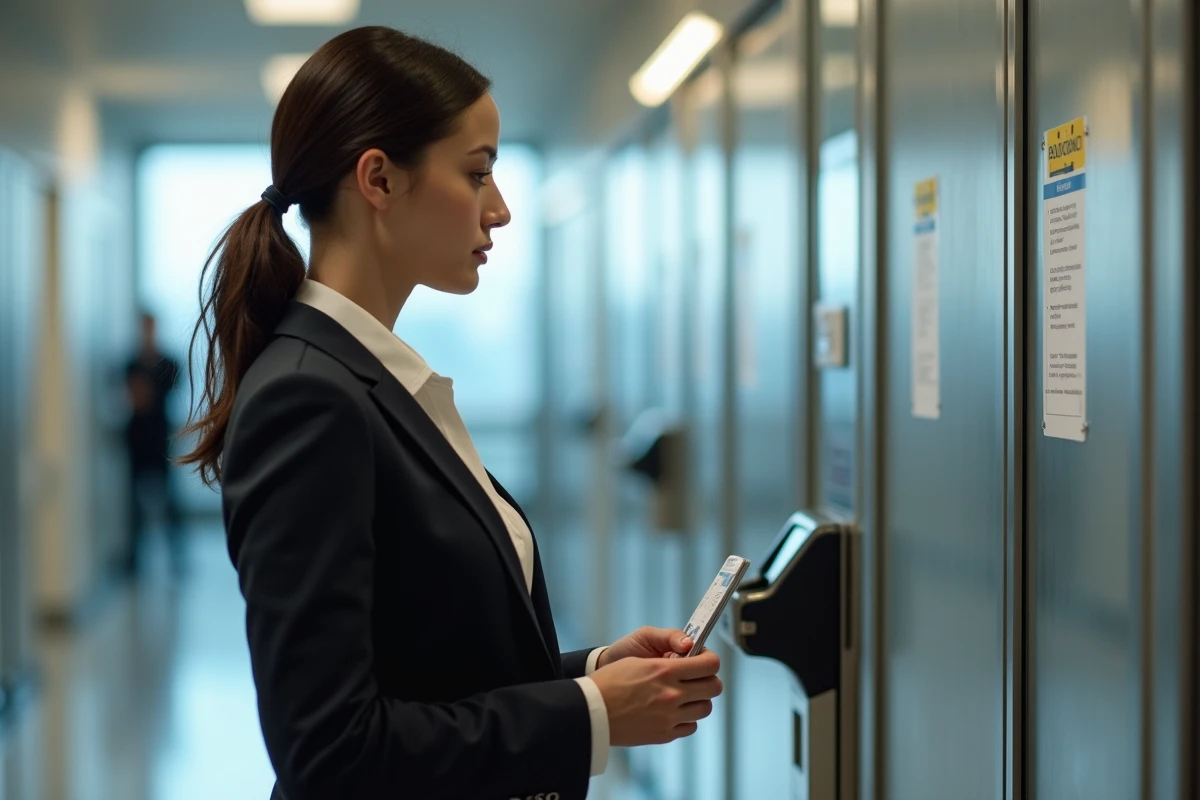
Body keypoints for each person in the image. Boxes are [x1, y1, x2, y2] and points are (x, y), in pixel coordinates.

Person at [180, 26, 723, 800]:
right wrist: (591, 715)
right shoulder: (310, 400)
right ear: (379, 179)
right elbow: (331, 750)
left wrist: (597, 676)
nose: (498, 210)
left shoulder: (371, 381)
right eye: (477, 174)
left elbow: (431, 672)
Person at [124, 310, 185, 577]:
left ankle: (177, 559)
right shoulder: (130, 364)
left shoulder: (168, 362)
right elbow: (132, 395)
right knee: (132, 504)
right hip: (136, 440)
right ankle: (135, 561)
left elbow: (167, 389)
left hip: (160, 438)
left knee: (170, 500)